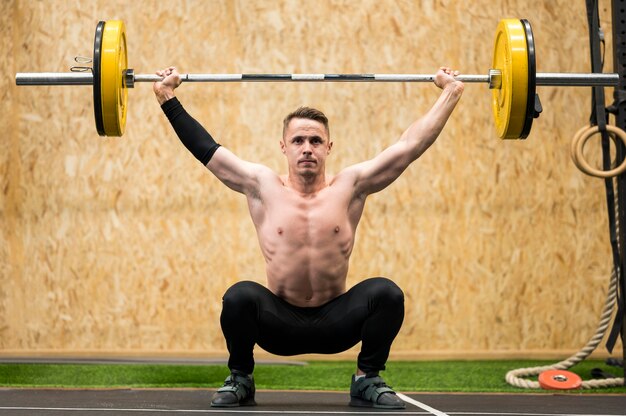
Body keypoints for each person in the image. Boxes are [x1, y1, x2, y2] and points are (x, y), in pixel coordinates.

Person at [153, 66, 464, 409]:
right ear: (283, 146)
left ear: (328, 147)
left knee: (387, 293)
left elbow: (409, 147)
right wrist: (167, 97)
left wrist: (450, 93)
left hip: (338, 322)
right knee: (239, 297)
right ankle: (241, 377)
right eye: (298, 141)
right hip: (278, 323)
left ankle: (367, 378)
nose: (307, 148)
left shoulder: (351, 185)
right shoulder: (260, 184)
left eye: (315, 141)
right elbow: (205, 148)